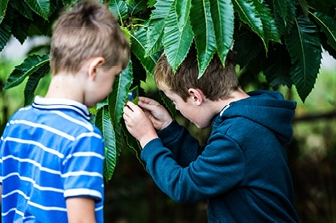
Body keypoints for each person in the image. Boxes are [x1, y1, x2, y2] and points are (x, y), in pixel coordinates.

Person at [123, 48, 299, 222]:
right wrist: (168, 128)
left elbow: (183, 186)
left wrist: (147, 138)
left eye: (174, 102)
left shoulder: (237, 135)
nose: (176, 107)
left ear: (195, 96)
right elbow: (208, 167)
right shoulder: (246, 120)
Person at [0, 0, 130, 222]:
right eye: (114, 77)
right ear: (95, 69)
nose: (112, 88)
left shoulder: (18, 121)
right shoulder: (83, 138)